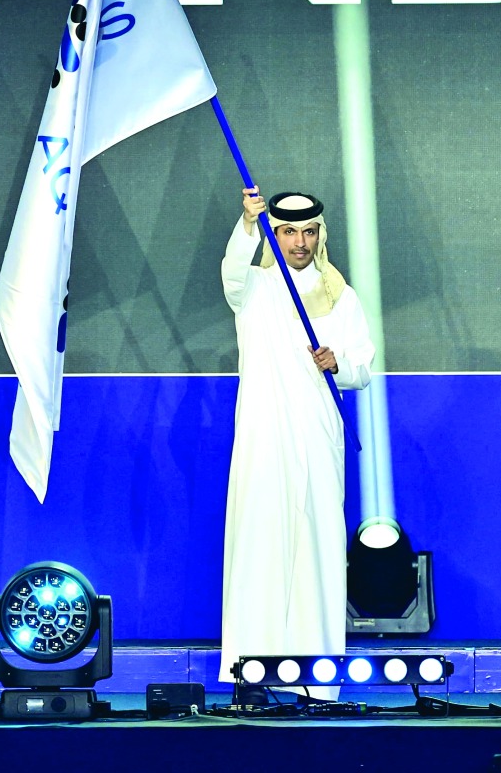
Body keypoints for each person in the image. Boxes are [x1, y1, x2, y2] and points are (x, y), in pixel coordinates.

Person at [219, 188, 374, 695]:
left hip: (319, 438)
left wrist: (339, 364)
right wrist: (248, 223)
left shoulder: (341, 297)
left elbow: (362, 367)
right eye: (288, 231)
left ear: (320, 235)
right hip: (264, 439)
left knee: (318, 552)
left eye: (309, 232)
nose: (299, 242)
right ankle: (249, 676)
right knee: (258, 547)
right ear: (275, 235)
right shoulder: (255, 288)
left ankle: (316, 682)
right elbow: (231, 273)